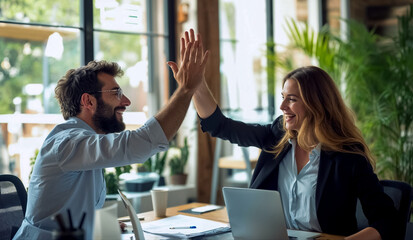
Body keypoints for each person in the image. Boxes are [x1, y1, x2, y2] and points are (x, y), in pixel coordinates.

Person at [13, 29, 208, 240]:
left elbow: (69, 209)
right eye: (116, 93)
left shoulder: (85, 144)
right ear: (88, 101)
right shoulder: (66, 143)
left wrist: (97, 224)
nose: (126, 102)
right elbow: (137, 144)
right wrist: (186, 89)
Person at [192, 41, 398, 240]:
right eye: (283, 97)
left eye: (291, 99)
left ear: (316, 104)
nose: (282, 106)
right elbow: (219, 125)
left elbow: (388, 221)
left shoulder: (349, 156)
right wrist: (195, 85)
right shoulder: (277, 135)